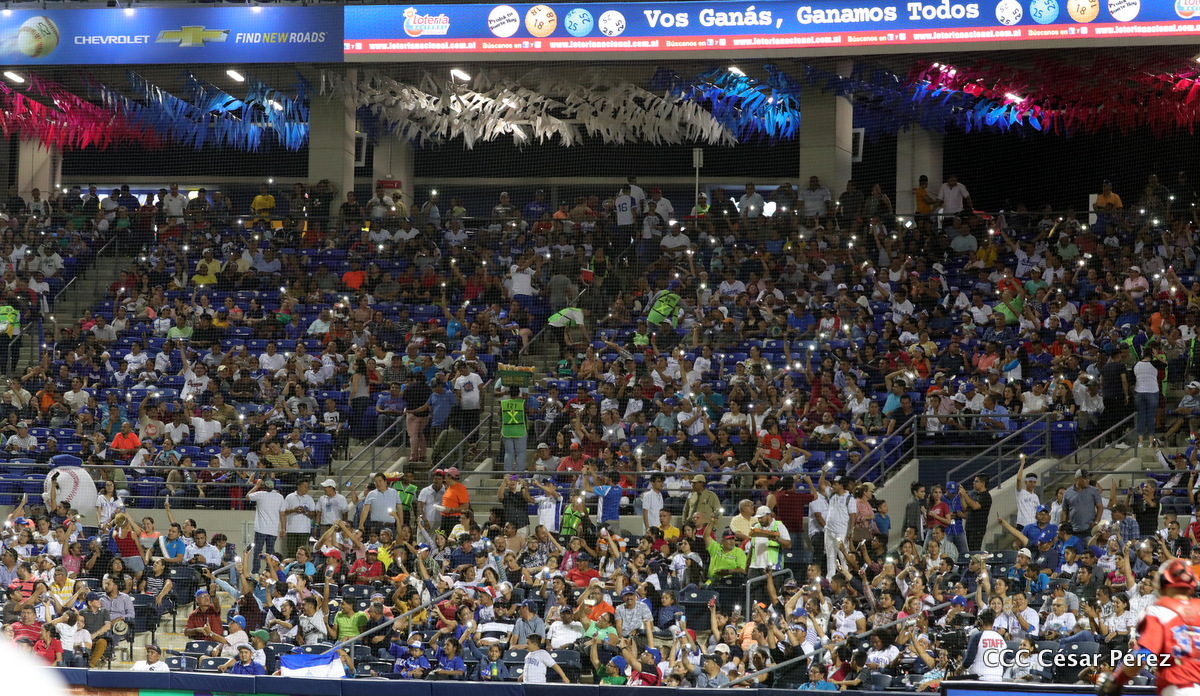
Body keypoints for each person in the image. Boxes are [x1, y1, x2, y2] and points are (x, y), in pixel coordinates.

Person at [1100, 559, 1200, 696]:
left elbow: (1143, 655)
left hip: (1177, 688)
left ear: (1163, 582)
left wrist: (1116, 681)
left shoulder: (1160, 610)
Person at [246, 478, 285, 572]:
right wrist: (283, 528)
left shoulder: (260, 494)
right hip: (273, 530)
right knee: (270, 552)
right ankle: (269, 571)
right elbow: (282, 514)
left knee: (257, 551)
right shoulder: (280, 497)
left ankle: (255, 571)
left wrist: (256, 486)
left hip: (261, 529)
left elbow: (247, 496)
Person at [963, 608, 1003, 682]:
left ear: (980, 621)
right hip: (998, 679)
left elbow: (968, 661)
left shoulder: (977, 637)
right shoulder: (1001, 638)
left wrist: (958, 670)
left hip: (979, 679)